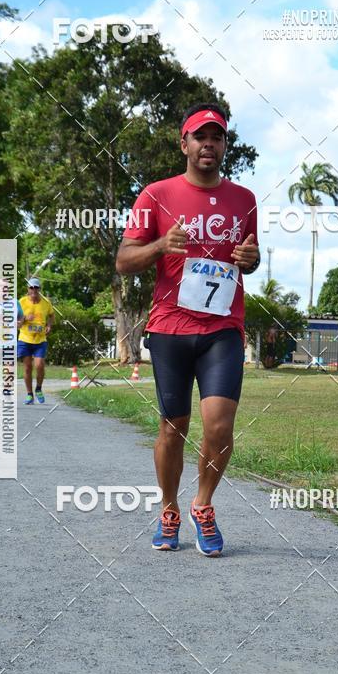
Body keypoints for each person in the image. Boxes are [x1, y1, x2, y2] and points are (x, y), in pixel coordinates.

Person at [116, 103, 260, 556]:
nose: (208, 144)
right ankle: (168, 509)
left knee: (218, 426)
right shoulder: (156, 194)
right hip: (170, 328)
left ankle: (202, 505)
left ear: (223, 146)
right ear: (184, 144)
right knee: (172, 427)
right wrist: (160, 245)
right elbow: (124, 260)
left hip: (223, 328)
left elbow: (250, 257)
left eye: (217, 137)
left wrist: (251, 261)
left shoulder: (244, 199)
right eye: (200, 137)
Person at [17, 277, 54, 405]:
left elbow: (51, 315)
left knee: (39, 365)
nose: (33, 290)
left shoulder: (46, 303)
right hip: (25, 339)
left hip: (40, 340)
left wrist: (49, 326)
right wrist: (25, 318)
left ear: (39, 289)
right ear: (28, 289)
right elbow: (15, 320)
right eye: (31, 287)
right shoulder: (21, 302)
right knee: (27, 368)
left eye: (36, 287)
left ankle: (38, 388)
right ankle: (29, 394)